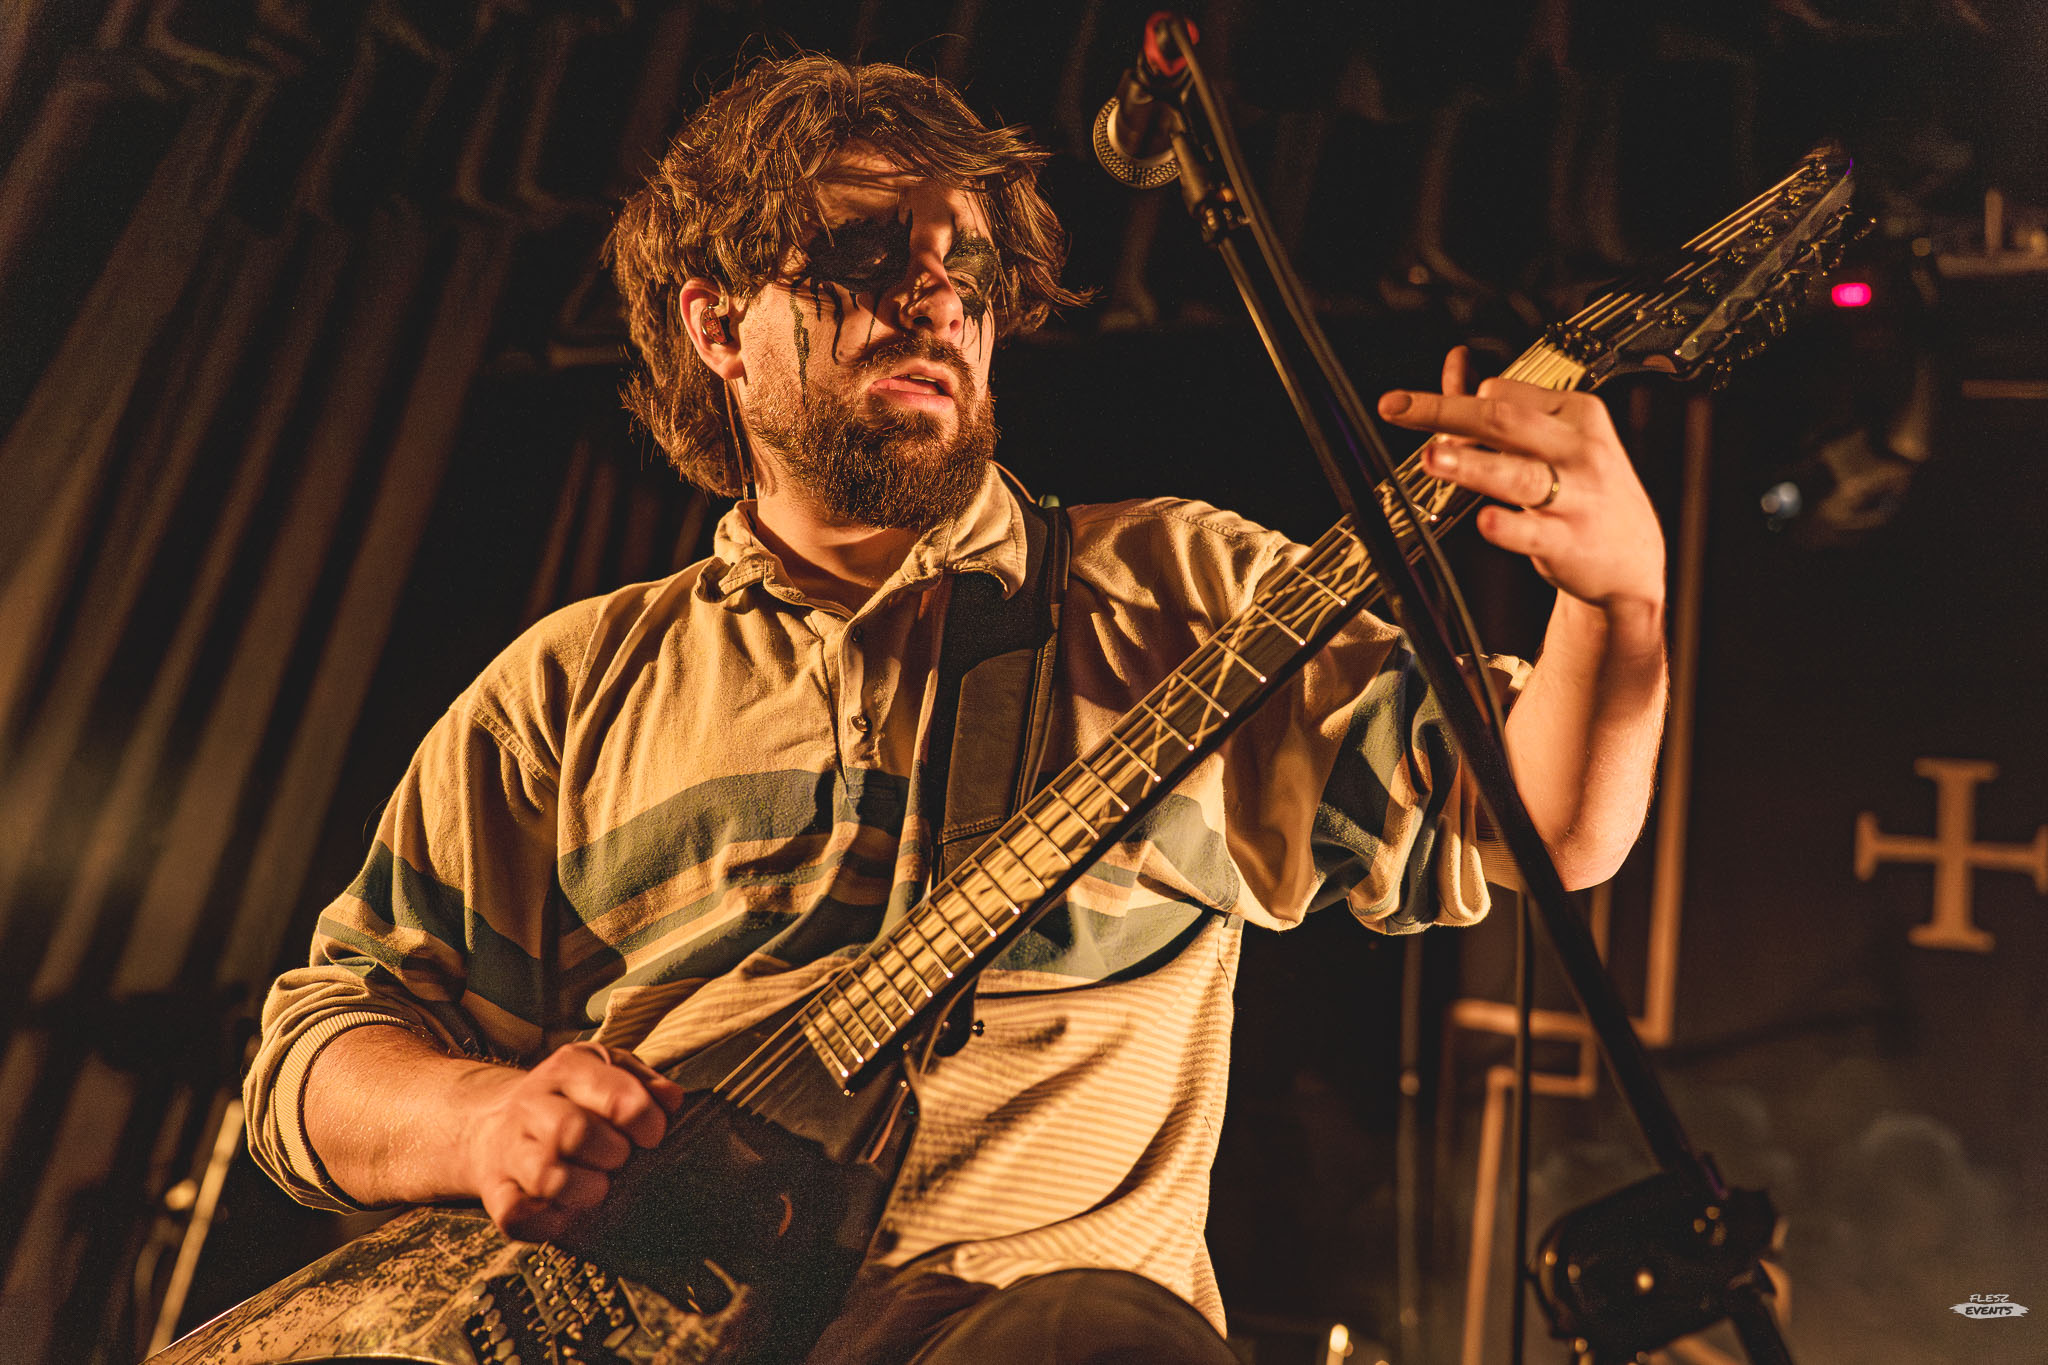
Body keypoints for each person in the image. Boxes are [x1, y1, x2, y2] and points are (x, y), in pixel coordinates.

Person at [242, 54, 1667, 1363]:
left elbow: (1542, 822)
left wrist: (1621, 604)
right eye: (866, 257)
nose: (935, 300)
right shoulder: (571, 685)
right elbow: (316, 1051)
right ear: (717, 323)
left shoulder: (1181, 596)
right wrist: (480, 1116)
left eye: (968, 270)